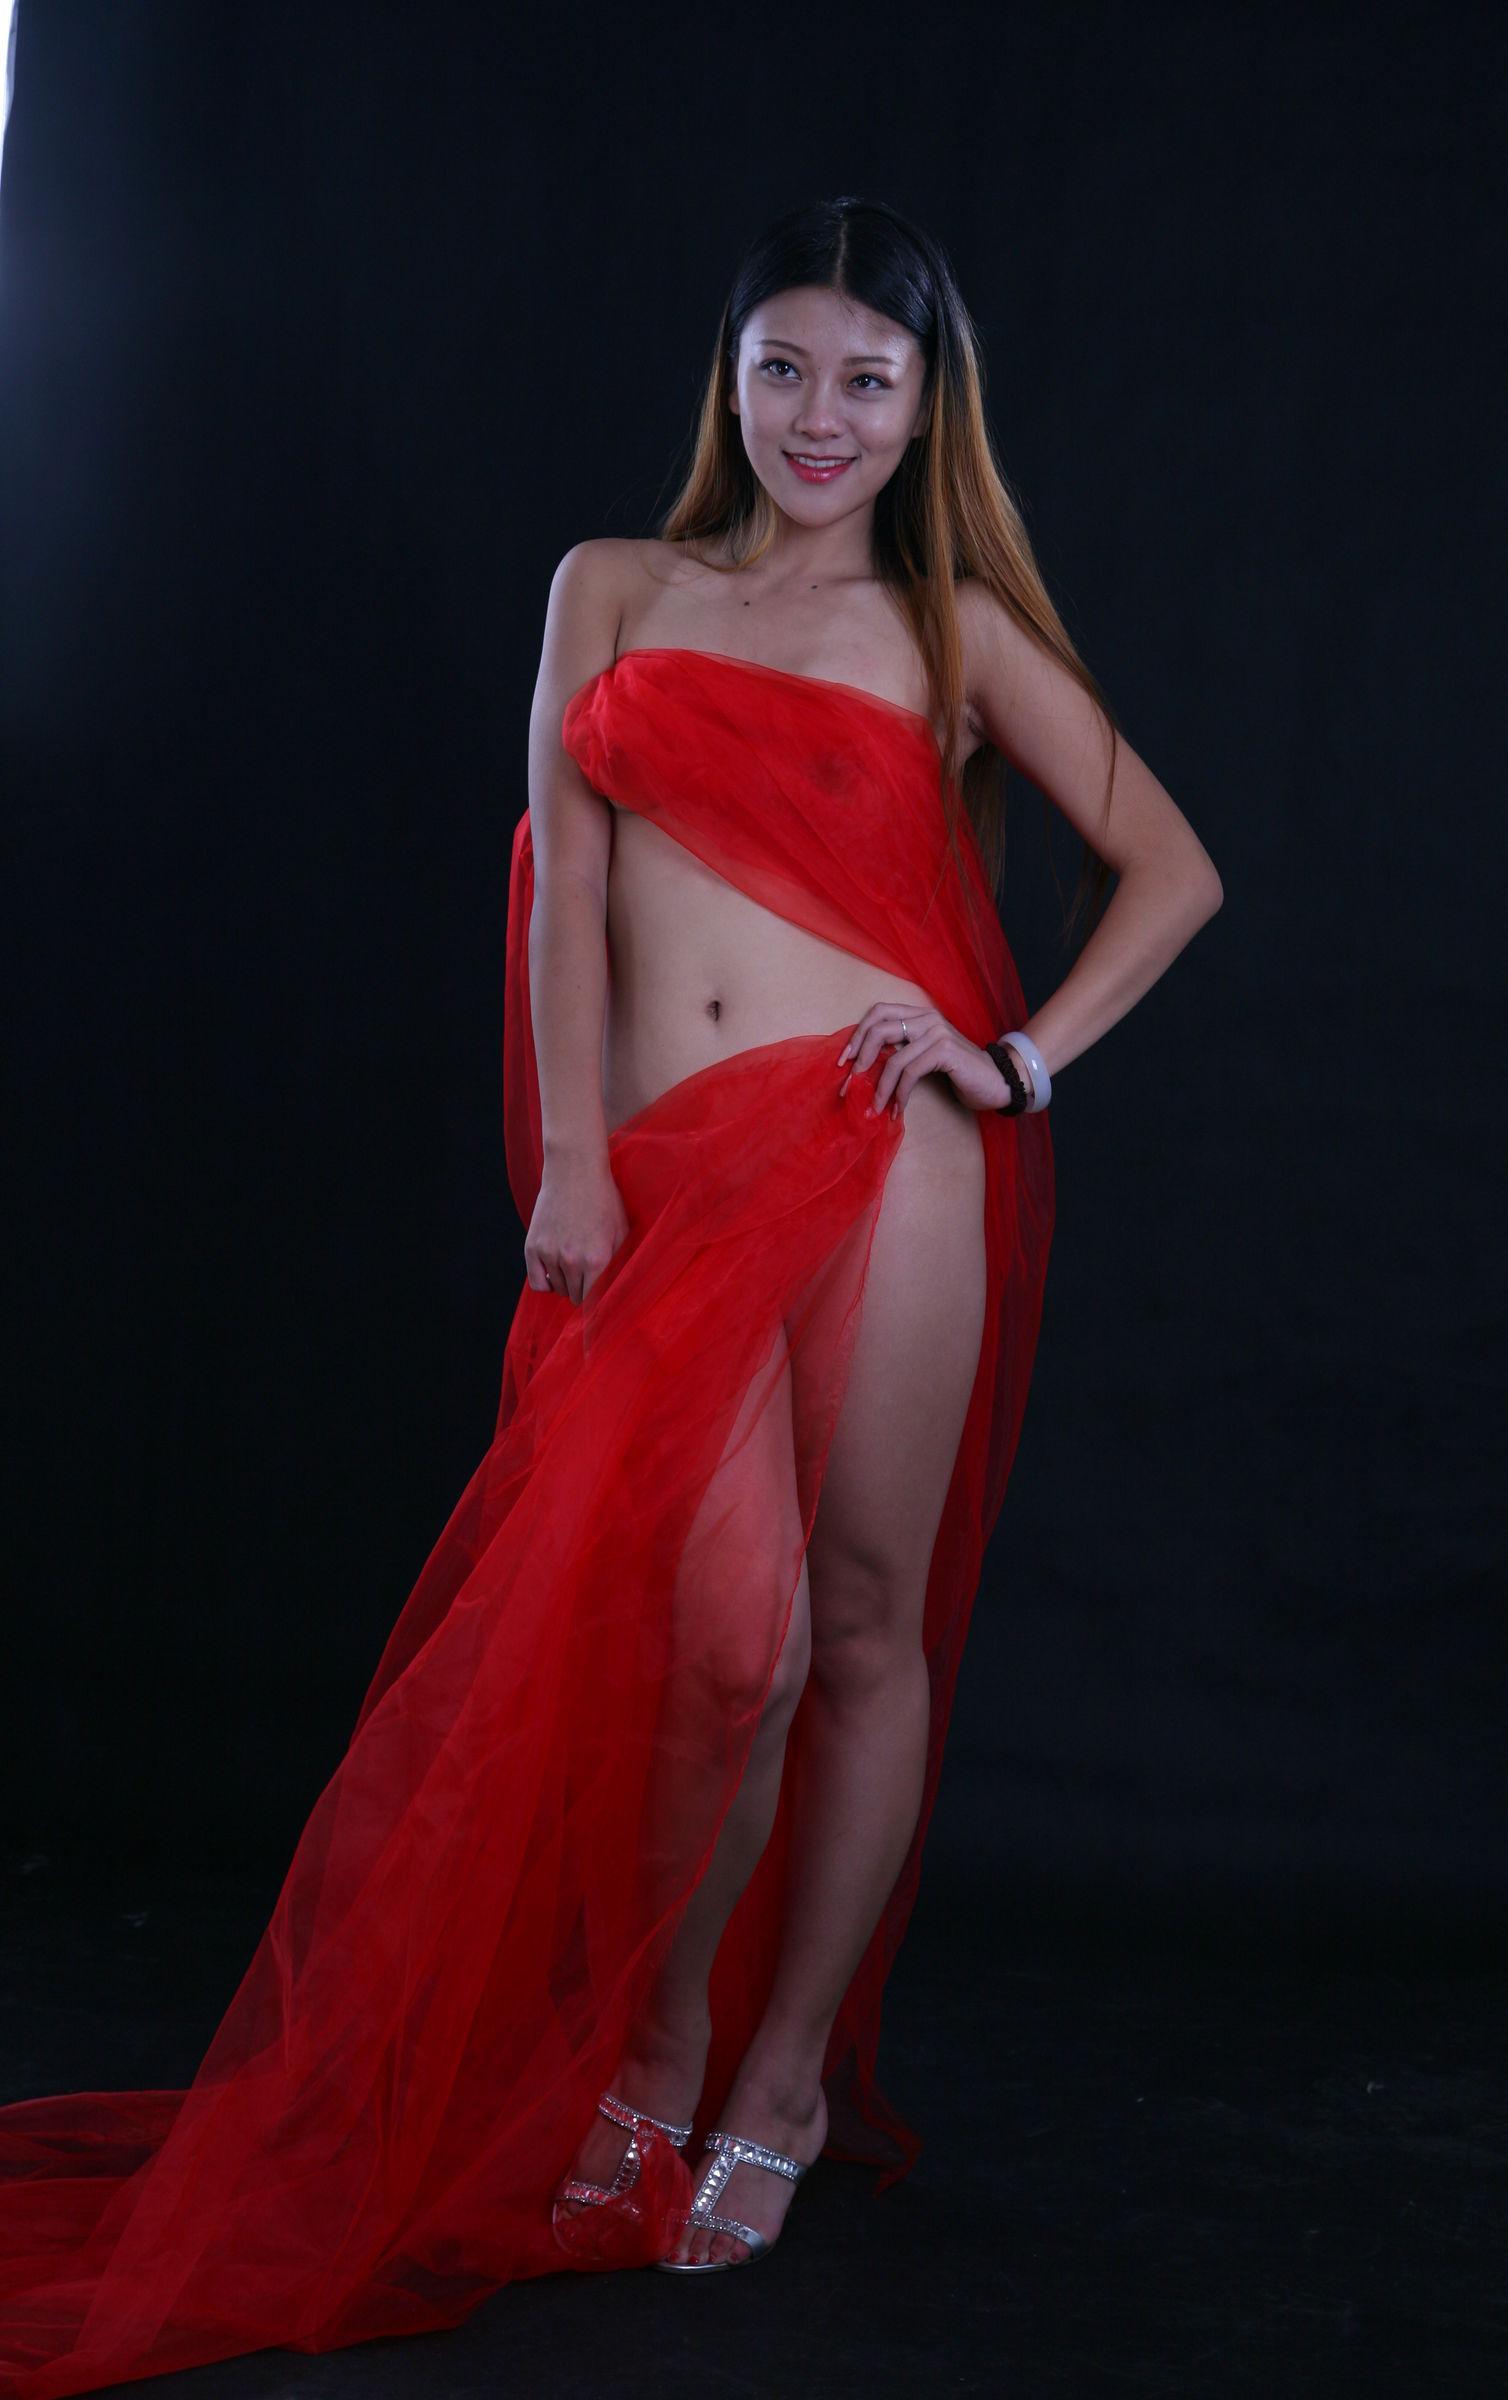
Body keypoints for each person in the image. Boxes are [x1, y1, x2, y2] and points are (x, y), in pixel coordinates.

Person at [0, 195, 1222, 2390]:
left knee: (861, 1627)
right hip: (658, 1179)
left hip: (891, 1161)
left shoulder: (950, 628)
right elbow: (565, 882)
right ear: (728, 379)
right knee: (728, 1639)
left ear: (924, 404)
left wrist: (1014, 1059)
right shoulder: (613, 587)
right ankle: (654, 2048)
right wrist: (571, 1154)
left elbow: (1174, 867)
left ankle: (777, 2082)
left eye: (867, 379)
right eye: (784, 367)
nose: (821, 415)